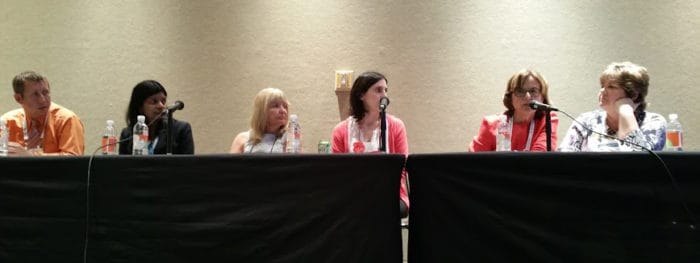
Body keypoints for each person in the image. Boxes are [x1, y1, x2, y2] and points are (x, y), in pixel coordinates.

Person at [331, 71, 410, 217]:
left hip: (391, 193)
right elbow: (337, 170)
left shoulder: (396, 126)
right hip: (353, 192)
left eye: (386, 90)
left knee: (378, 208)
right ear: (361, 95)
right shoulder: (340, 130)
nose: (384, 95)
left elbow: (403, 167)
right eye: (378, 90)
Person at [559, 62, 666, 151]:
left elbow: (640, 161)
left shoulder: (653, 122)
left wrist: (625, 110)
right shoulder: (585, 121)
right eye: (602, 86)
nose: (602, 91)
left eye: (611, 87)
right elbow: (564, 160)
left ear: (633, 94)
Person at [468, 69, 558, 152]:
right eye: (519, 91)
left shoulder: (548, 120)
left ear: (543, 97)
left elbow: (541, 158)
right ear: (510, 96)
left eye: (533, 91)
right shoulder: (491, 124)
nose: (527, 97)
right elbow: (474, 161)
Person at [1, 71, 84, 156]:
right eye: (35, 95)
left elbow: (73, 159)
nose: (43, 100)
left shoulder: (66, 119)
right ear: (18, 99)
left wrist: (31, 156)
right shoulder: (7, 122)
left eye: (45, 92)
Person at [119, 80, 194, 154]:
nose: (161, 106)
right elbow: (122, 165)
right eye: (154, 102)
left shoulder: (181, 130)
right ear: (140, 107)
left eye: (163, 101)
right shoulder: (127, 134)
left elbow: (188, 165)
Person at [230, 87, 290, 153]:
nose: (283, 111)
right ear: (261, 111)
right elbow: (231, 163)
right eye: (275, 106)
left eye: (285, 106)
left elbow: (296, 162)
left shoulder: (290, 139)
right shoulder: (242, 139)